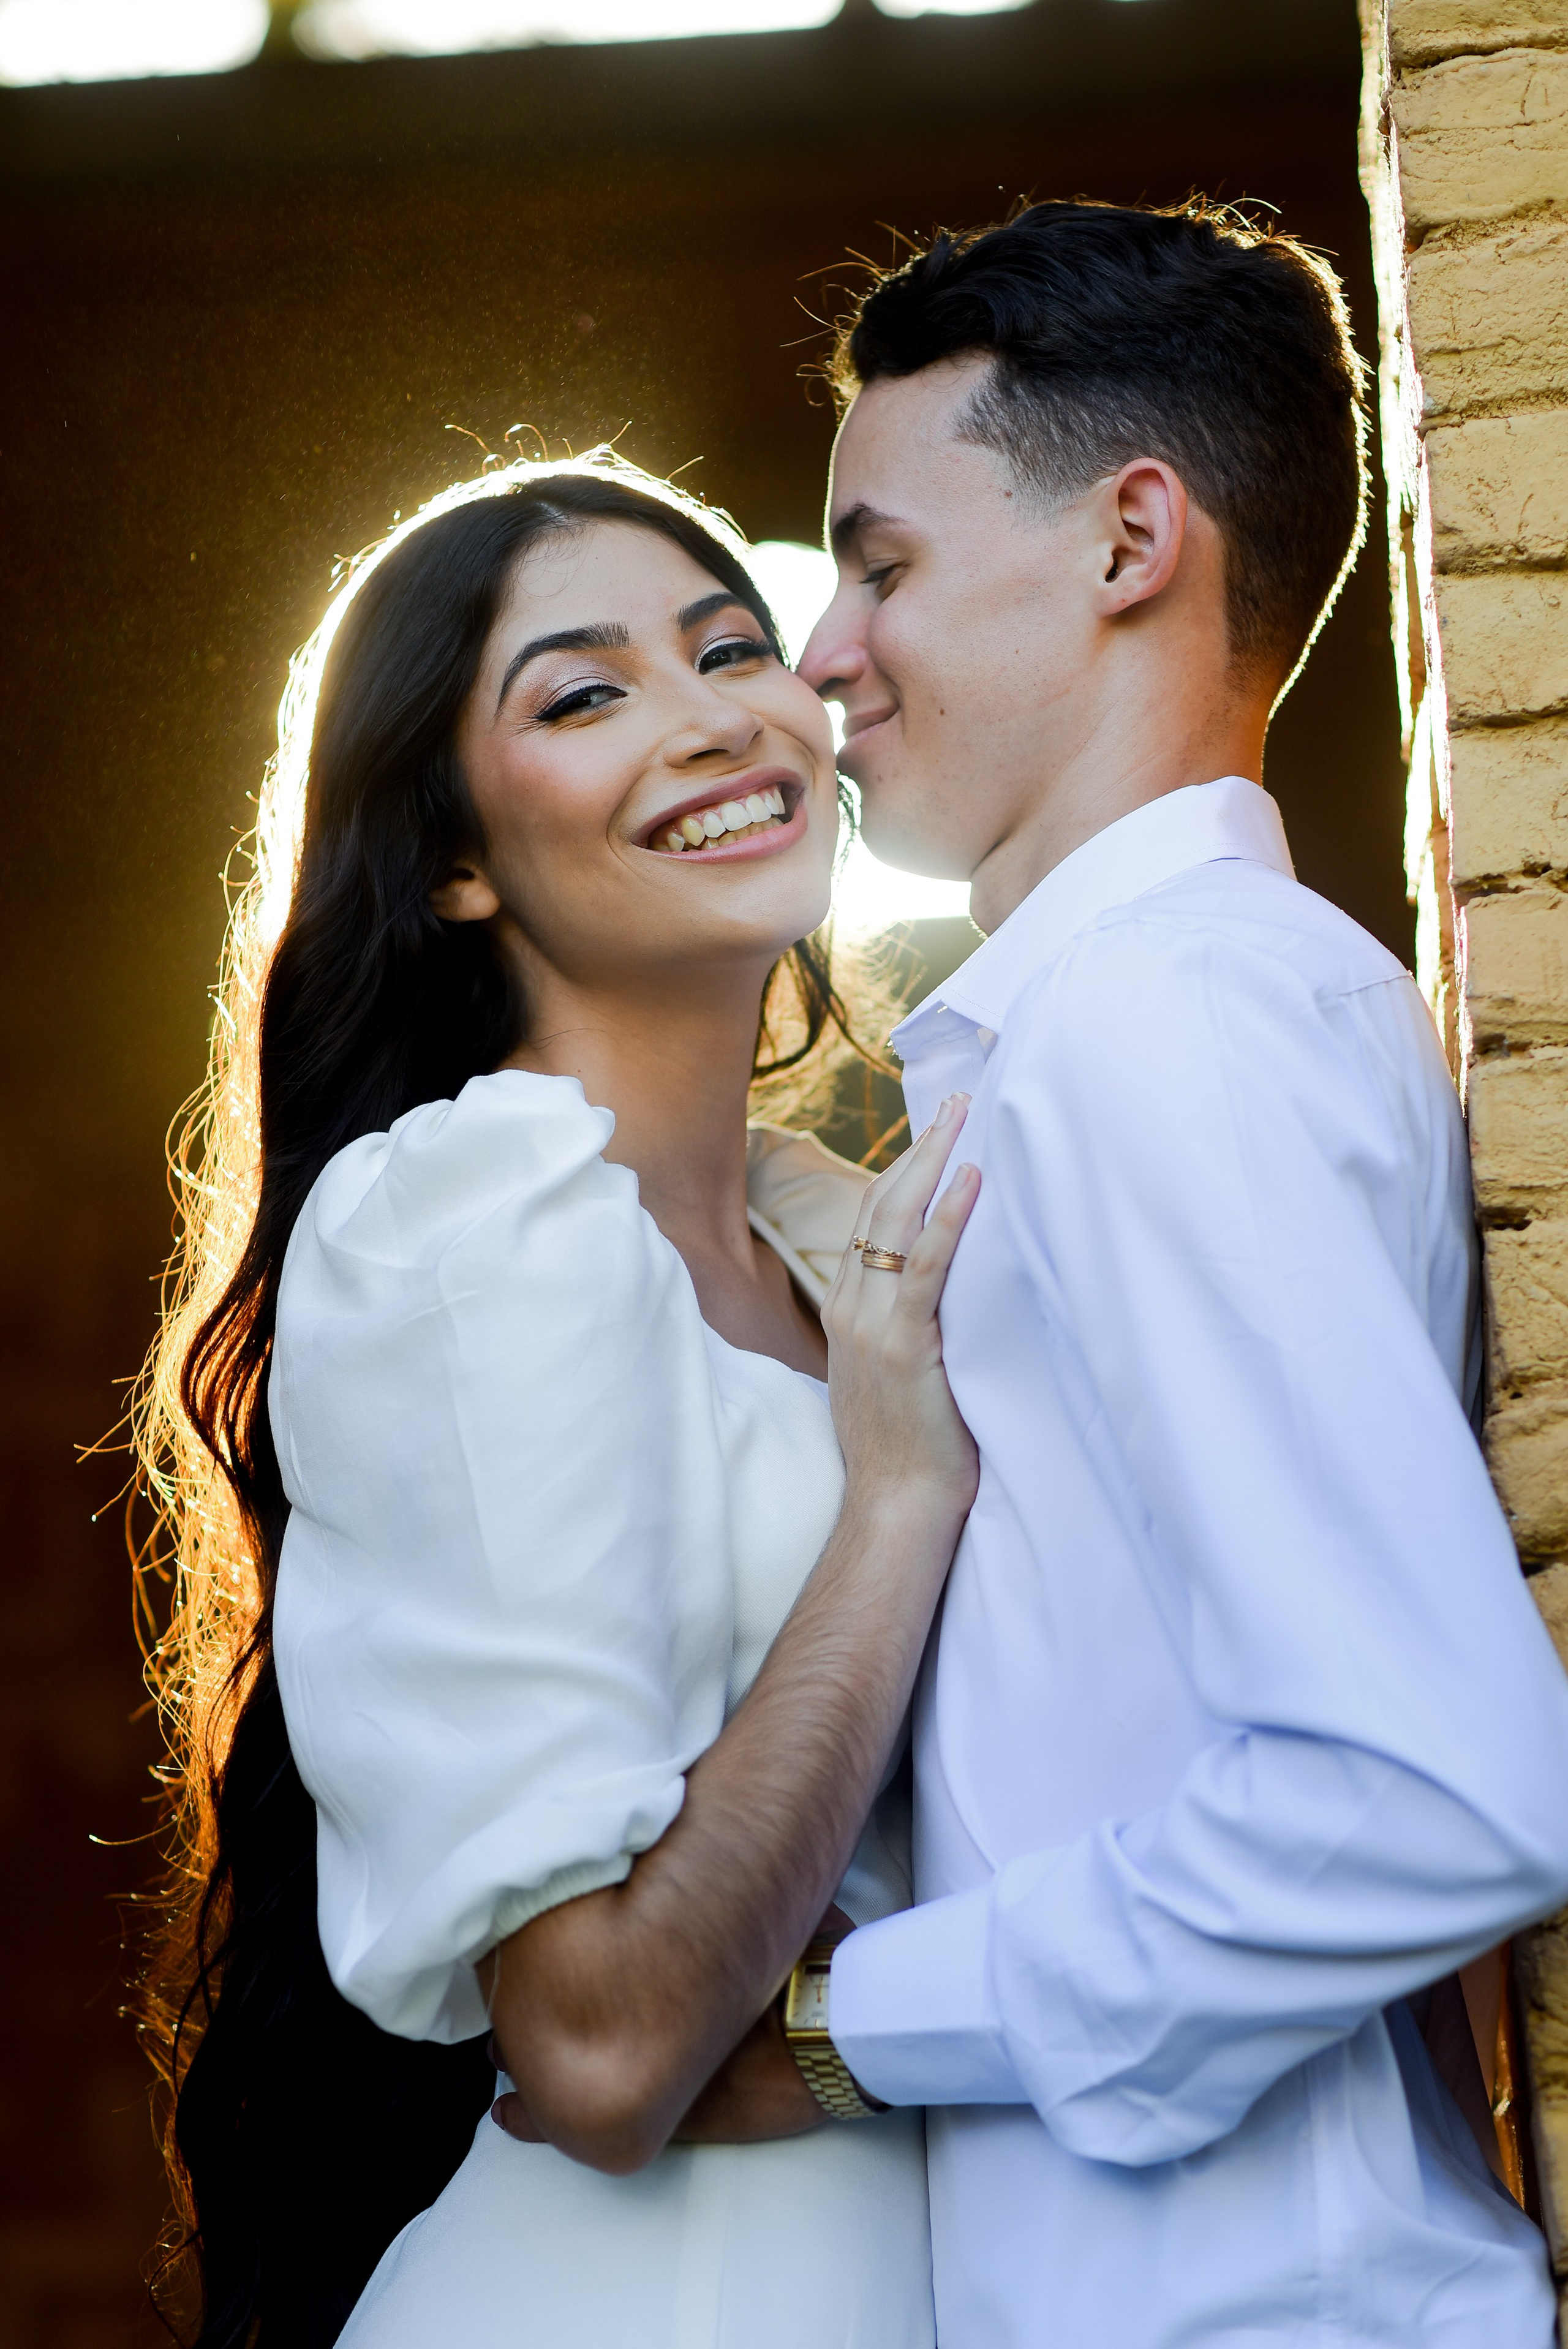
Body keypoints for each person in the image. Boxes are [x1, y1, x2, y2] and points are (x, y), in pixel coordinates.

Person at [783, 198, 1568, 2345]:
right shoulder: (1130, 1023)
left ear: (1133, 539)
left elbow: (1431, 1785)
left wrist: (855, 2017)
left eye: (882, 561)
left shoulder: (1165, 1028)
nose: (824, 651)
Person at [135, 451, 985, 2349]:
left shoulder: (847, 1236)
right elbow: (602, 2041)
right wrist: (897, 1506)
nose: (710, 719)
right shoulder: (471, 1222)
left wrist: (910, 2026)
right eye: (586, 693)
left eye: (728, 647)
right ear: (450, 854)